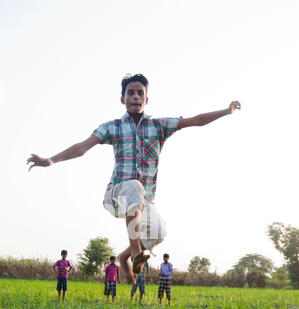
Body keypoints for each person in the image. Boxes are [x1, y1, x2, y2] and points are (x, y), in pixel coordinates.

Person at [27, 74, 240, 283]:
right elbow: (82, 147)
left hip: (144, 200)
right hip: (117, 194)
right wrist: (50, 161)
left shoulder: (158, 126)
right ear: (123, 99)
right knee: (133, 186)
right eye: (131, 93)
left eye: (140, 93)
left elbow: (195, 121)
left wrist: (226, 111)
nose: (136, 97)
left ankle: (124, 257)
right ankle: (137, 251)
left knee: (158, 232)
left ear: (146, 100)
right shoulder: (113, 127)